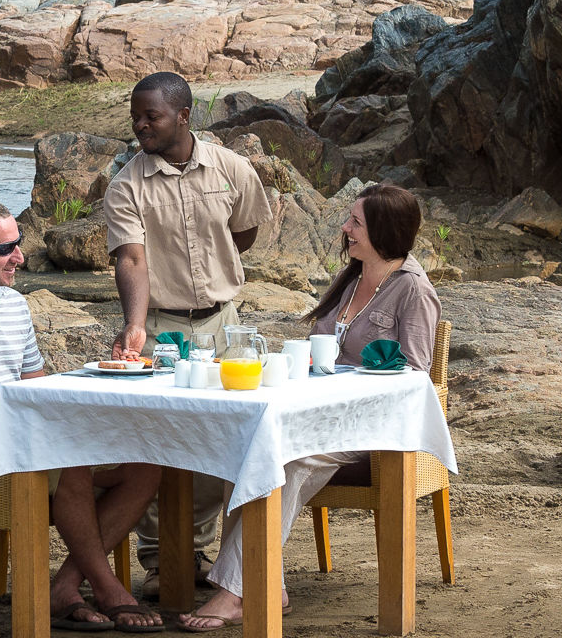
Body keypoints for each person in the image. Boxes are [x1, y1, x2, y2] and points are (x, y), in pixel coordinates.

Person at [176, 183, 439, 632]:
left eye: (355, 221)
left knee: (288, 460)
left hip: (370, 427)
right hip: (320, 414)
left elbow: (414, 375)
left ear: (383, 230)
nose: (345, 228)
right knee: (249, 449)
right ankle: (266, 582)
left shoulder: (412, 290)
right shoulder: (353, 279)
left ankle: (233, 592)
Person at [0, 196, 167, 632]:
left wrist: (106, 370)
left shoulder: (12, 304)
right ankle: (108, 589)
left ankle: (64, 587)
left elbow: (36, 385)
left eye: (18, 242)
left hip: (27, 442)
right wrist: (30, 409)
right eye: (5, 248)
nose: (19, 256)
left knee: (146, 466)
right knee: (73, 464)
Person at [105, 71, 268, 596]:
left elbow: (243, 229)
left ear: (183, 116)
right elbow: (131, 258)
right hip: (159, 327)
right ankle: (160, 561)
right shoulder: (127, 184)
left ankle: (200, 551)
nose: (140, 125)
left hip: (223, 326)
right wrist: (135, 324)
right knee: (153, 443)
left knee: (219, 441)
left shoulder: (233, 168)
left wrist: (214, 277)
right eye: (135, 116)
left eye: (150, 116)